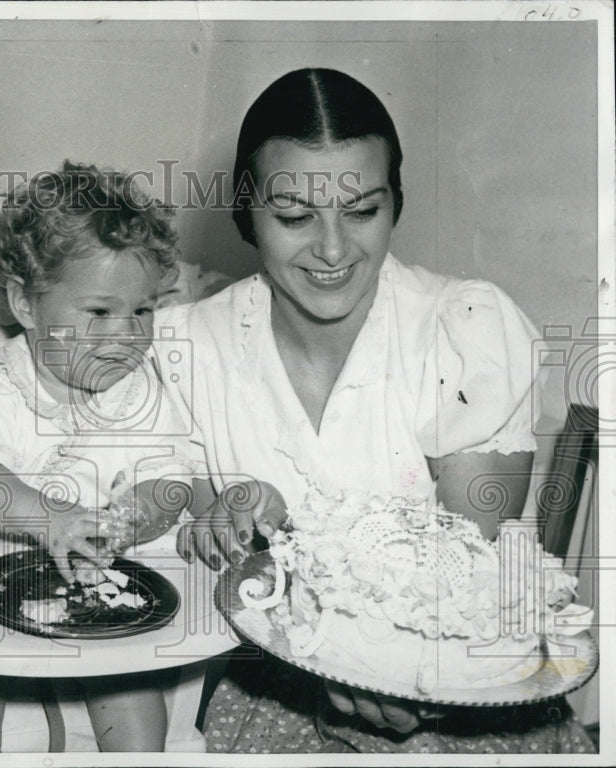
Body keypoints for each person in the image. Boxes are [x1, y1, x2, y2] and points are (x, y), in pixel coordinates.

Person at [167, 68, 595, 752]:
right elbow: (176, 523)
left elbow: (468, 567)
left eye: (362, 210)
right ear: (246, 212)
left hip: (458, 692)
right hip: (276, 692)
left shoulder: (466, 329)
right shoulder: (187, 342)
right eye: (294, 215)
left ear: (396, 202)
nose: (333, 250)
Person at [0, 162, 197, 752]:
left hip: (95, 586)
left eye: (142, 312)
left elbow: (172, 480)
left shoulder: (143, 392)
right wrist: (50, 521)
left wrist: (138, 512)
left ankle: (137, 755)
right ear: (27, 305)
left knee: (130, 681)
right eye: (98, 312)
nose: (126, 335)